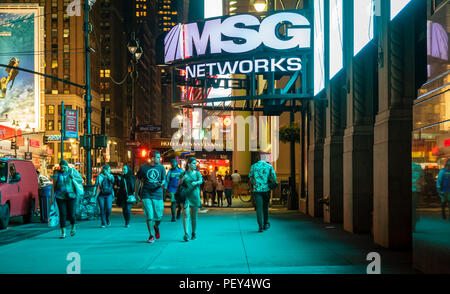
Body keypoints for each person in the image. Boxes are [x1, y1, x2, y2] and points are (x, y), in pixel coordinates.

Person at [135, 150, 166, 243]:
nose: (159, 159)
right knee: (149, 215)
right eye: (157, 157)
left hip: (158, 193)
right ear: (152, 158)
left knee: (159, 217)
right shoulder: (143, 168)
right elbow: (138, 181)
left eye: (159, 157)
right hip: (146, 193)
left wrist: (161, 184)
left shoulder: (161, 168)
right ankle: (151, 235)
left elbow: (163, 180)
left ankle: (156, 227)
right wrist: (136, 193)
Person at [51, 160, 84, 239]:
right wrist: (52, 198)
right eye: (61, 167)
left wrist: (73, 178)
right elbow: (53, 187)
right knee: (62, 214)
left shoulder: (72, 172)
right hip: (60, 197)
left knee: (71, 214)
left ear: (67, 166)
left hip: (71, 196)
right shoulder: (57, 174)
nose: (63, 169)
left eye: (64, 167)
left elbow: (80, 180)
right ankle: (63, 232)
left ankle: (73, 226)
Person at [249, 154, 277, 233]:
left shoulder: (253, 166)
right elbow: (274, 178)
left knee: (259, 208)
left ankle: (260, 226)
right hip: (266, 190)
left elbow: (250, 178)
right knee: (265, 207)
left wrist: (254, 183)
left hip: (257, 190)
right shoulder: (269, 166)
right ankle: (265, 223)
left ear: (258, 158)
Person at [179, 157, 203, 241]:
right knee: (186, 215)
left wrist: (195, 182)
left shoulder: (197, 173)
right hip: (186, 196)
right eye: (193, 163)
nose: (195, 165)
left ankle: (193, 233)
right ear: (189, 164)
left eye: (195, 163)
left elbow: (200, 181)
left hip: (195, 197)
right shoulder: (183, 174)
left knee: (194, 217)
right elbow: (179, 184)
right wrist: (183, 179)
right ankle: (186, 234)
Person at [411, 162, 424, 231]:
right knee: (413, 208)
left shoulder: (401, 166)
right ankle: (413, 226)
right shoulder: (419, 167)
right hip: (416, 190)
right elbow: (422, 181)